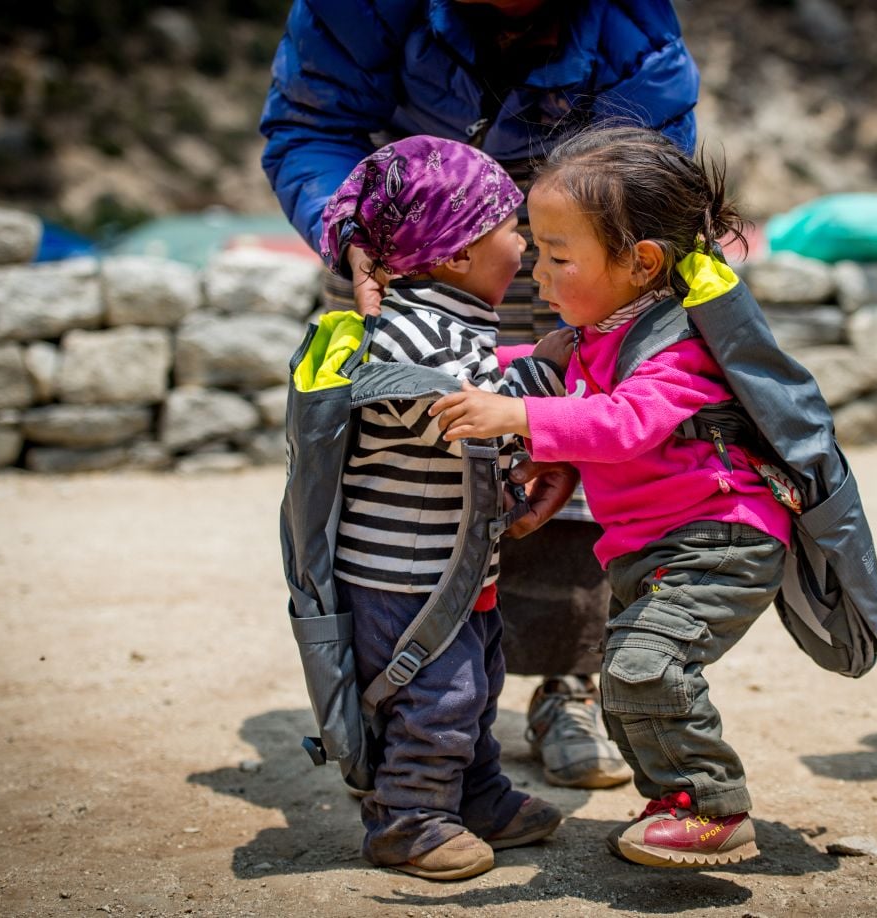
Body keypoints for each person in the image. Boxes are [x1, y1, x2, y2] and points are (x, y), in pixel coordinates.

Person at [260, 0, 700, 792]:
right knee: (389, 463)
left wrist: (576, 272)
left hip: (569, 211)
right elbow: (308, 125)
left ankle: (569, 684)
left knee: (560, 460)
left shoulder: (631, 17)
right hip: (400, 233)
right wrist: (352, 228)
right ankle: (388, 696)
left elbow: (649, 168)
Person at [428, 126, 800, 867]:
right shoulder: (600, 330)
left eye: (558, 258)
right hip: (651, 545)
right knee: (623, 679)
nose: (537, 275)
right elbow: (552, 377)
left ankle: (712, 807)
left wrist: (521, 418)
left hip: (720, 538)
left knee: (642, 663)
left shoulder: (681, 344)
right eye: (534, 252)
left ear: (642, 263)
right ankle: (672, 802)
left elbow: (627, 422)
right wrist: (444, 365)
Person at [316, 135, 569, 879]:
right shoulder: (407, 330)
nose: (523, 246)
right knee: (439, 694)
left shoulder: (453, 322)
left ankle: (476, 794)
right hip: (404, 575)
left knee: (477, 683)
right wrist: (551, 370)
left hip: (454, 568)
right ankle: (409, 816)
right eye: (512, 228)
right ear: (458, 254)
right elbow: (458, 413)